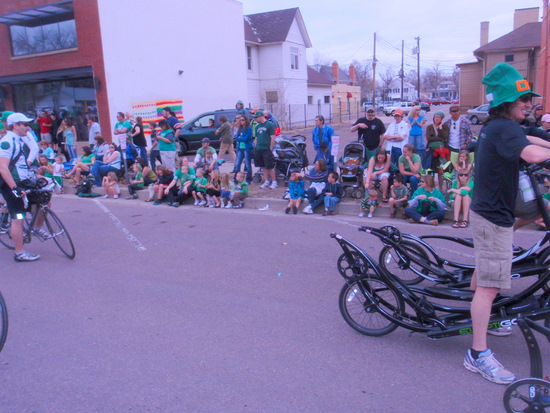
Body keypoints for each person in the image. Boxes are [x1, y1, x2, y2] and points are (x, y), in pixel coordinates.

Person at [462, 63, 550, 385]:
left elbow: (526, 137)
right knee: (490, 285)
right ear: (507, 101)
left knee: (487, 270)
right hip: (494, 217)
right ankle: (478, 353)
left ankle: (487, 319)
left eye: (529, 98)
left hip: (490, 211)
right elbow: (531, 153)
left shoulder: (495, 126)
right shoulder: (504, 130)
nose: (529, 104)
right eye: (523, 99)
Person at [0, 113, 41, 261]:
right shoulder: (7, 142)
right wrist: (14, 188)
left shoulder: (18, 140)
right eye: (25, 124)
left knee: (43, 200)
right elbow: (3, 168)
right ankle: (20, 253)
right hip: (11, 184)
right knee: (18, 218)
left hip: (22, 181)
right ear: (15, 126)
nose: (28, 127)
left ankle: (37, 229)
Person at [424, 111, 450, 188]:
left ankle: (441, 188)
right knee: (431, 169)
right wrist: (440, 138)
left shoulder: (444, 127)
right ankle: (430, 187)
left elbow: (445, 137)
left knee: (440, 170)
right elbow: (429, 138)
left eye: (439, 117)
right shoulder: (429, 127)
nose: (437, 119)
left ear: (441, 119)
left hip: (442, 152)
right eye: (436, 117)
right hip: (432, 151)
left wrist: (440, 129)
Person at [253, 110, 278, 189]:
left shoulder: (269, 125)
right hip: (259, 149)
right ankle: (266, 181)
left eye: (256, 117)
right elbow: (256, 137)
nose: (255, 119)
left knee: (269, 166)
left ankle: (274, 181)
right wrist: (256, 146)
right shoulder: (257, 126)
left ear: (261, 116)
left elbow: (272, 137)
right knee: (263, 166)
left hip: (267, 148)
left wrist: (270, 148)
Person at [233, 115, 253, 183]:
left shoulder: (249, 128)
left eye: (243, 120)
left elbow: (246, 138)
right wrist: (241, 138)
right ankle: (236, 179)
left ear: (246, 120)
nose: (241, 121)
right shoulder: (239, 128)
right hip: (240, 148)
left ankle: (248, 179)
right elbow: (236, 138)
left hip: (247, 148)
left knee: (247, 164)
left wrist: (240, 138)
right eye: (240, 120)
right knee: (238, 164)